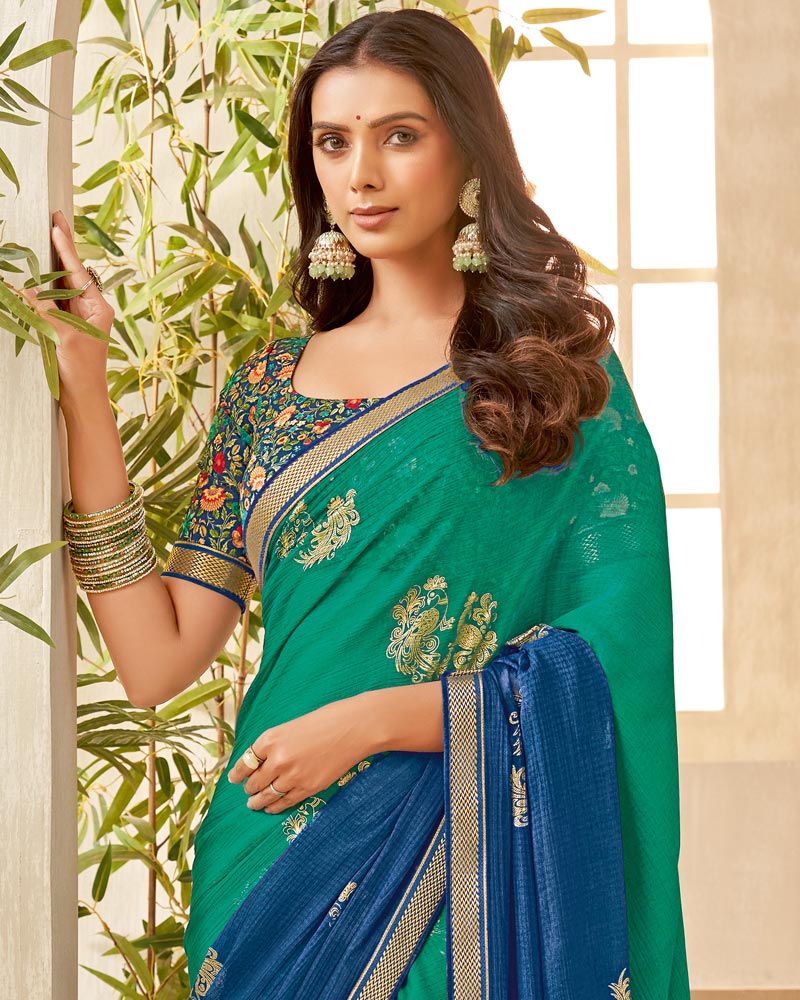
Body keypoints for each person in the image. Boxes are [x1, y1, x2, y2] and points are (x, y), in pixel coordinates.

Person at [30, 7, 691, 998]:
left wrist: (379, 720)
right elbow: (155, 660)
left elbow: (618, 652)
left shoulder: (555, 380)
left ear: (468, 150)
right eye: (333, 142)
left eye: (399, 135)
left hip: (465, 867)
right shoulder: (267, 390)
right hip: (269, 865)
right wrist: (86, 389)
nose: (361, 175)